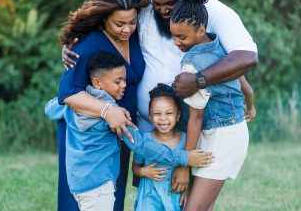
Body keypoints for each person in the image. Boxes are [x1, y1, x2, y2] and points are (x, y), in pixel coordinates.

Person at [62, 0, 258, 205]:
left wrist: (202, 83)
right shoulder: (145, 4)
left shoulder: (210, 18)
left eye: (170, 5)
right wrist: (74, 39)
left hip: (195, 131)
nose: (164, 10)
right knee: (159, 198)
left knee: (188, 202)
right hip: (151, 129)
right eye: (158, 5)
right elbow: (109, 6)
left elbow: (244, 60)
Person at [45, 51, 213, 211]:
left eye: (125, 80)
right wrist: (184, 157)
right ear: (97, 83)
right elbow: (141, 145)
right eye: (118, 82)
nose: (124, 85)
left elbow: (50, 108)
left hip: (78, 182)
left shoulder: (75, 104)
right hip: (99, 184)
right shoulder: (113, 116)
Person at [56, 0, 150, 211]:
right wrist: (108, 111)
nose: (127, 29)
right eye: (119, 24)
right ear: (104, 18)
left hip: (120, 128)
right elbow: (67, 93)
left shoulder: (134, 37)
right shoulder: (87, 45)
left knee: (113, 194)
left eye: (132, 22)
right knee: (84, 197)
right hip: (89, 135)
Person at [169, 0, 255, 211]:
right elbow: (244, 84)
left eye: (181, 36)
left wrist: (184, 164)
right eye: (173, 36)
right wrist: (251, 105)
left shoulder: (191, 65)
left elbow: (195, 118)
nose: (176, 42)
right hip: (230, 133)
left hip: (221, 140)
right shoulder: (220, 46)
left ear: (200, 29)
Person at [132, 83, 193, 211]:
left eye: (169, 113)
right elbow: (135, 166)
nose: (163, 119)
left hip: (175, 196)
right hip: (149, 197)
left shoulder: (186, 140)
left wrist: (188, 191)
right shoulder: (145, 140)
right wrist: (144, 172)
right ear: (150, 115)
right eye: (157, 113)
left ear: (178, 115)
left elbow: (192, 170)